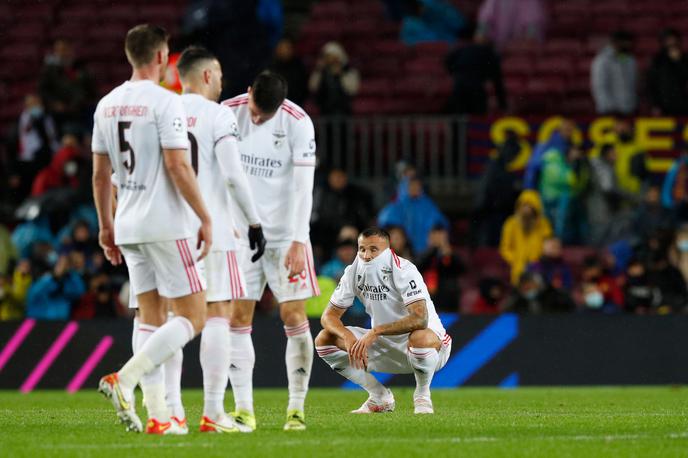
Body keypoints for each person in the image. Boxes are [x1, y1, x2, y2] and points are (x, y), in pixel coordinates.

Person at [93, 25, 212, 435]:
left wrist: (106, 227)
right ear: (162, 57)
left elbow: (99, 175)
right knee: (193, 316)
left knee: (151, 317)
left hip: (127, 223)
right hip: (165, 222)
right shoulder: (166, 102)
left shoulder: (106, 105)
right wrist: (205, 216)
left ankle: (161, 415)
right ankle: (124, 380)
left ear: (131, 56)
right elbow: (178, 165)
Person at [176, 46, 267, 433]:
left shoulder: (163, 111)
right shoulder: (219, 115)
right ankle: (213, 411)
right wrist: (253, 222)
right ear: (209, 76)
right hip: (211, 228)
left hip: (169, 228)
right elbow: (233, 175)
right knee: (218, 314)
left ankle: (165, 411)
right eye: (220, 77)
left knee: (161, 317)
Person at [222, 70, 318, 431]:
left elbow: (303, 188)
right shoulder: (227, 112)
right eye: (254, 110)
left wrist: (298, 239)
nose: (257, 119)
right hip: (239, 235)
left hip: (284, 237)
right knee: (237, 319)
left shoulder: (298, 123)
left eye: (265, 114)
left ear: (281, 106)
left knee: (293, 316)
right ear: (247, 93)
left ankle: (296, 410)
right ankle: (243, 410)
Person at [315, 227, 452, 414]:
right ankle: (379, 396)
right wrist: (347, 336)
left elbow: (420, 319)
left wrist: (376, 331)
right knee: (324, 340)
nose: (366, 255)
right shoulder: (353, 271)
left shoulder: (404, 270)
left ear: (387, 251)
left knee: (420, 337)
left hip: (429, 346)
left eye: (373, 249)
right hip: (383, 345)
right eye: (362, 249)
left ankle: (422, 395)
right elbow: (328, 317)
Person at [312, 168, 375, 256]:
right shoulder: (322, 194)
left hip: (354, 234)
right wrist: (342, 227)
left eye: (341, 176)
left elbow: (362, 215)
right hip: (329, 236)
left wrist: (352, 228)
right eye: (335, 177)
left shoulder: (355, 193)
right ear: (329, 178)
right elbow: (321, 218)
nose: (338, 180)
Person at [445, 23, 506, 115]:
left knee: (460, 121)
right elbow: (497, 80)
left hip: (460, 88)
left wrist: (456, 74)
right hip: (476, 90)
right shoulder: (489, 52)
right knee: (477, 120)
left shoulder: (461, 50)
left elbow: (448, 62)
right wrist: (502, 103)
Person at [473, 129, 521, 246]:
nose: (514, 157)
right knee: (490, 239)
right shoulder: (495, 166)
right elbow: (488, 189)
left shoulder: (501, 166)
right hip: (491, 210)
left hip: (498, 208)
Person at [378, 177, 449, 254]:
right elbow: (386, 221)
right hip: (403, 249)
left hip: (426, 248)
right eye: (412, 185)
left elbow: (439, 221)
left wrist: (435, 232)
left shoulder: (427, 204)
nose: (415, 188)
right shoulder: (399, 204)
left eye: (417, 185)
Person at [499, 190, 552, 285]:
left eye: (530, 205)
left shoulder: (543, 224)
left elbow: (548, 245)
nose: (526, 209)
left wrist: (539, 260)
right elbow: (505, 248)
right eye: (524, 205)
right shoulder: (511, 223)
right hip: (518, 269)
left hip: (539, 267)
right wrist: (517, 259)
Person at [16, 94, 60, 198]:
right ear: (27, 105)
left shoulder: (47, 116)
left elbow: (52, 135)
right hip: (33, 157)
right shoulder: (25, 118)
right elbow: (27, 136)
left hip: (49, 152)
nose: (36, 106)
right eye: (33, 103)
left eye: (37, 103)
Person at [417, 226, 463, 312]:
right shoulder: (424, 254)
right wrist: (432, 249)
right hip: (427, 297)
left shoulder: (452, 253)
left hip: (448, 299)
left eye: (441, 236)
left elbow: (461, 270)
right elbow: (418, 267)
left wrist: (450, 256)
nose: (438, 239)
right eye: (435, 236)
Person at [591, 30, 638, 115]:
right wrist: (608, 107)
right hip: (609, 111)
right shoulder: (602, 60)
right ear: (616, 43)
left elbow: (632, 84)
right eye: (626, 43)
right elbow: (599, 86)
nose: (629, 45)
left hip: (628, 109)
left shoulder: (629, 59)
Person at [26, 254, 85, 320]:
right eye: (59, 264)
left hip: (63, 321)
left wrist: (70, 273)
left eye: (66, 264)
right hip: (41, 321)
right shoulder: (46, 279)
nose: (62, 267)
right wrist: (54, 278)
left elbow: (80, 292)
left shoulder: (69, 280)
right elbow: (33, 294)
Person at [308, 42, 360, 116]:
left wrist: (340, 75)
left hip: (344, 112)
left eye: (333, 57)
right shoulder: (321, 72)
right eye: (328, 57)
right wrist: (319, 70)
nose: (331, 60)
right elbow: (312, 87)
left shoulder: (350, 71)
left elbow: (352, 90)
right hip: (324, 112)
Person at [647, 28, 688, 116]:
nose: (671, 43)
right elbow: (651, 84)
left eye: (674, 40)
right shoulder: (657, 60)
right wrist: (655, 104)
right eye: (668, 40)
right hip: (664, 105)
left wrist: (678, 62)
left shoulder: (685, 59)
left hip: (683, 104)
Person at [476, 0, 546, 51]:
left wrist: (517, 45)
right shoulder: (493, 2)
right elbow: (484, 24)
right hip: (496, 48)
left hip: (519, 50)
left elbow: (531, 36)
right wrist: (482, 36)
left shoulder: (531, 3)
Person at [502, 271, 575, 314]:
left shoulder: (549, 297)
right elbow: (505, 311)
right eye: (528, 286)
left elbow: (568, 307)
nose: (532, 289)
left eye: (535, 286)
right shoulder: (515, 300)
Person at [268, 38, 308, 107]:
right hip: (273, 105)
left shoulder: (299, 66)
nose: (285, 51)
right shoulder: (270, 67)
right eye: (281, 47)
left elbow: (303, 89)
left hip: (295, 105)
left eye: (287, 48)